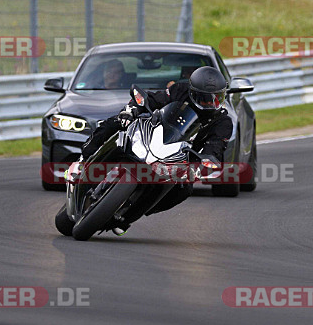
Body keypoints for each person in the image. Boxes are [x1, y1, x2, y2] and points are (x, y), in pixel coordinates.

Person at [80, 66, 233, 233]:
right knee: (117, 122)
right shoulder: (179, 90)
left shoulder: (223, 121)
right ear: (194, 93)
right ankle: (84, 158)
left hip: (182, 157)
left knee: (184, 190)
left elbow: (216, 146)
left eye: (218, 98)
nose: (212, 103)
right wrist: (132, 110)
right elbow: (153, 99)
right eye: (206, 99)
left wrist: (206, 161)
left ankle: (131, 215)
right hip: (155, 134)